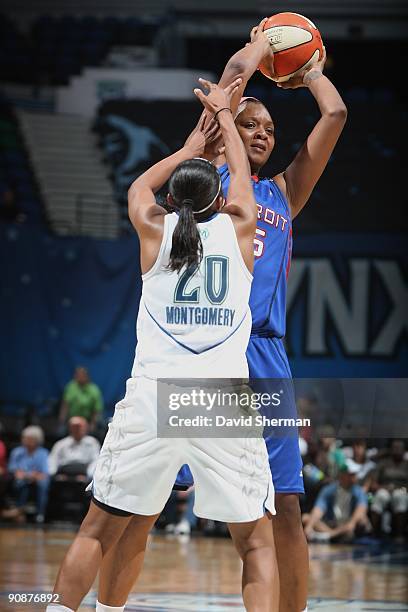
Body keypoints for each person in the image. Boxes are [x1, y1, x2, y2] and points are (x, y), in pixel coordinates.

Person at [101, 20, 347, 612]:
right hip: (206, 354)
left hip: (263, 357)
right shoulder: (203, 191)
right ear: (226, 131)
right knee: (146, 503)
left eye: (269, 128)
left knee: (284, 504)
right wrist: (264, 43)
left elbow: (333, 116)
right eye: (250, 125)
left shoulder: (282, 192)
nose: (262, 134)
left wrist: (308, 70)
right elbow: (233, 80)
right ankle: (106, 602)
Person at [46, 78, 278, 612]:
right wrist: (225, 118)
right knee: (255, 543)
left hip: (152, 397)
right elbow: (242, 175)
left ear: (172, 200)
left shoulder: (153, 228)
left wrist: (190, 148)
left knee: (98, 530)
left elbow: (136, 189)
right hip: (220, 399)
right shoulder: (241, 226)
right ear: (220, 198)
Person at [302, 459, 370, 543]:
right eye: (352, 474)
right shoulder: (329, 490)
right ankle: (332, 536)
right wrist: (309, 526)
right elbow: (318, 509)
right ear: (343, 475)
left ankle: (328, 536)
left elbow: (361, 509)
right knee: (306, 518)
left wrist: (351, 523)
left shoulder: (358, 491)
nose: (355, 477)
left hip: (349, 525)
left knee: (362, 520)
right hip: (333, 525)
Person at [8, 425, 50, 524]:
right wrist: (24, 475)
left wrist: (33, 476)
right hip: (21, 478)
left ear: (37, 440)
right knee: (20, 483)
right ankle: (19, 511)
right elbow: (13, 468)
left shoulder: (43, 453)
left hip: (37, 478)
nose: (26, 441)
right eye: (24, 438)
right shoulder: (17, 452)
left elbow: (45, 471)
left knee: (43, 484)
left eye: (29, 439)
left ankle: (40, 514)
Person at [371, 439, 408, 542]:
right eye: (395, 448)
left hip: (402, 491)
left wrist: (400, 489)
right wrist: (383, 488)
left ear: (404, 450)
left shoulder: (406, 465)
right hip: (384, 489)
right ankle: (376, 532)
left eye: (399, 448)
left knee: (399, 496)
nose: (397, 450)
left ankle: (399, 534)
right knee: (380, 496)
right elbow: (373, 484)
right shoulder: (383, 464)